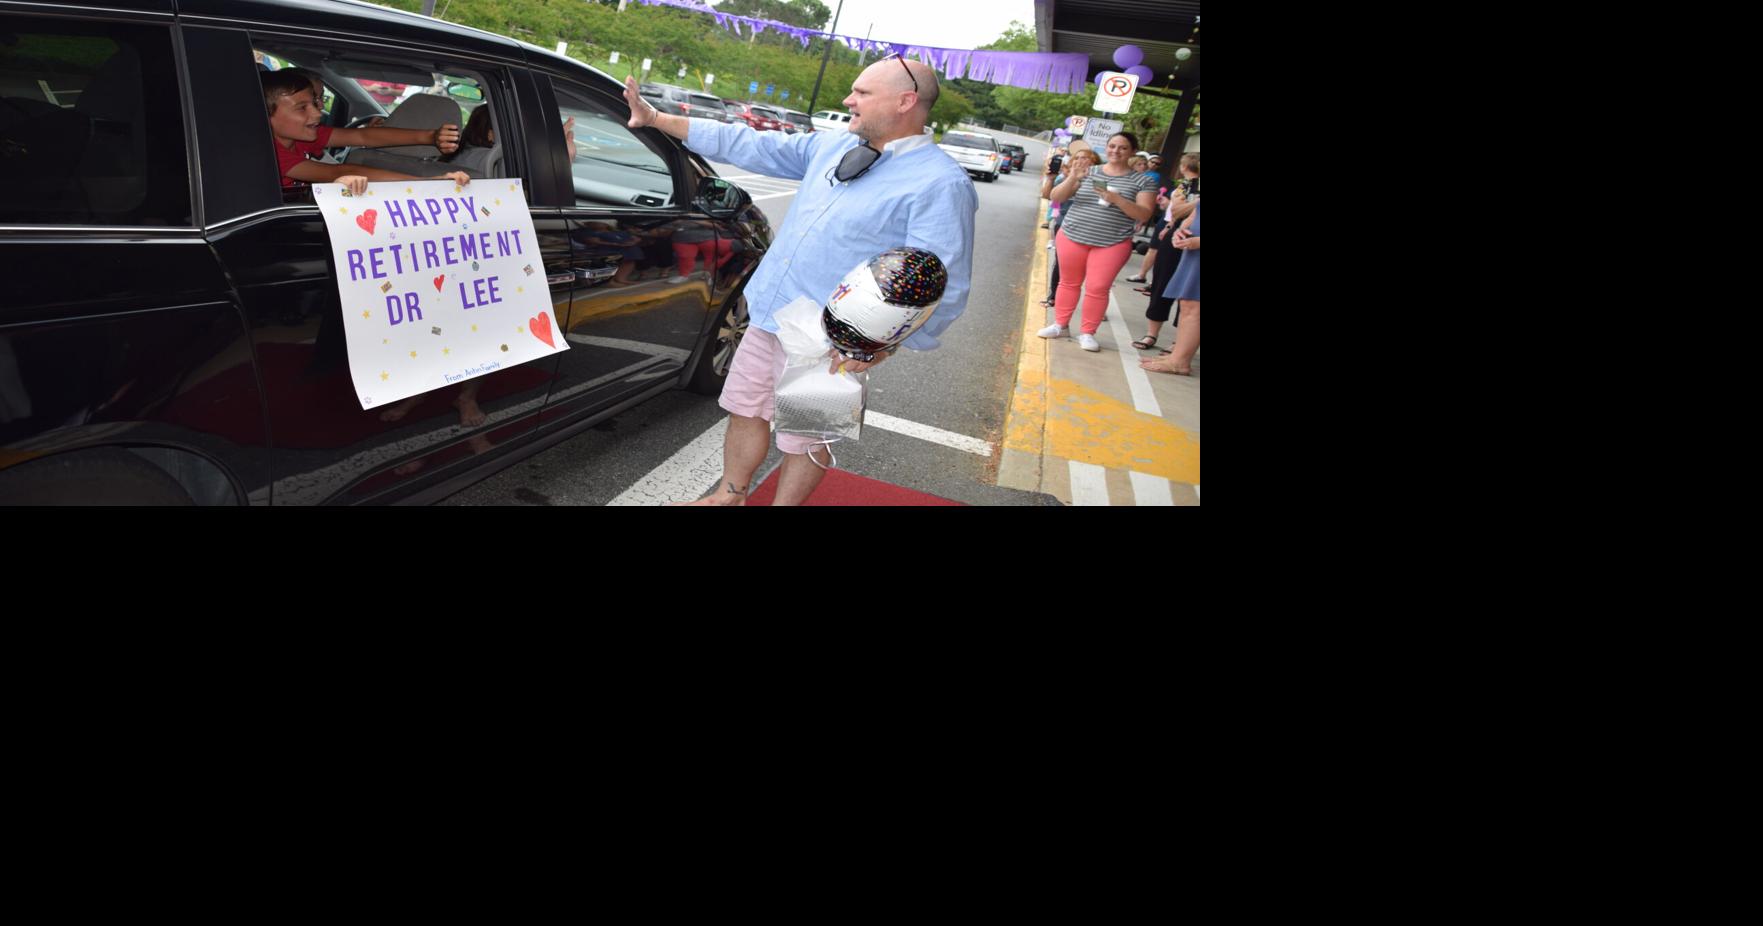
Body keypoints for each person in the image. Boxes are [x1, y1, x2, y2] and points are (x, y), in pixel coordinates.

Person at [621, 54, 976, 506]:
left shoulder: (940, 184)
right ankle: (730, 493)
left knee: (807, 436)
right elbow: (750, 145)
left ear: (906, 101)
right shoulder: (833, 147)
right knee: (745, 408)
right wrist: (655, 118)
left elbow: (942, 281)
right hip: (772, 309)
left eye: (863, 93)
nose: (849, 100)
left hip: (832, 339)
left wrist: (882, 343)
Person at [1039, 132, 1158, 351]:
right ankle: (1060, 325)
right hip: (1073, 234)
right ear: (1106, 147)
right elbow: (1056, 197)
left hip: (1112, 242)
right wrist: (1073, 177)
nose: (1116, 151)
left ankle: (1087, 333)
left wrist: (1117, 199)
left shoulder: (1143, 181)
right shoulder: (1088, 171)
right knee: (1068, 282)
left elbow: (1143, 214)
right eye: (1112, 146)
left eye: (1122, 147)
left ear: (1132, 151)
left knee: (1098, 287)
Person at [261, 70, 470, 189]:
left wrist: (429, 136)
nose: (317, 113)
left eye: (316, 103)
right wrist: (425, 184)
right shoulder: (270, 153)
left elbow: (362, 135)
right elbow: (340, 171)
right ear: (265, 113)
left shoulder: (301, 138)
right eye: (302, 108)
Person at [1130, 153, 1199, 350]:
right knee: (1162, 283)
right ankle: (1151, 334)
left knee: (1189, 293)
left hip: (1195, 244)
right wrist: (1196, 204)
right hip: (1177, 236)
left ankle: (1180, 342)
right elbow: (1176, 212)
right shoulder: (1184, 185)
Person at [1140, 200, 1200, 375]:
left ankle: (1180, 361)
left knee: (1194, 307)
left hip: (1196, 245)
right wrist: (1180, 231)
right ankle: (1178, 356)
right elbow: (1196, 212)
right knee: (1188, 304)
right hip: (1192, 247)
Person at [1038, 144, 1097, 307]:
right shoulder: (1066, 178)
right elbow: (1049, 196)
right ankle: (1053, 296)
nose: (1080, 161)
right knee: (1061, 263)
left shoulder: (1099, 178)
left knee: (1092, 269)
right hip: (1065, 224)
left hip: (1091, 228)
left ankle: (1094, 303)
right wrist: (1050, 178)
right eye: (1076, 158)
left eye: (1085, 158)